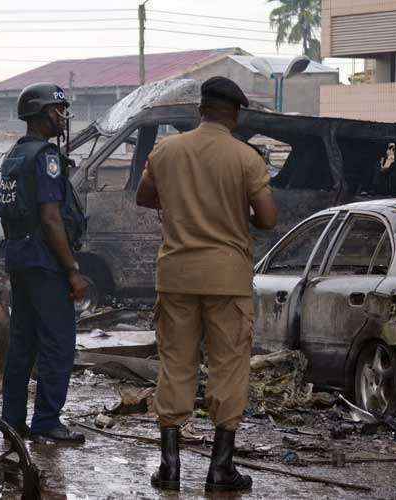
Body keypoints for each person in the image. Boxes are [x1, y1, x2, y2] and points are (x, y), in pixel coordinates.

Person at [136, 76, 278, 492]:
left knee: (175, 364)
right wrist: (237, 214)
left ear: (201, 109)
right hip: (227, 278)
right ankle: (220, 469)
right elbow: (268, 219)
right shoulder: (246, 157)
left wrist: (180, 204)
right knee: (228, 368)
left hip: (176, 275)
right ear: (234, 114)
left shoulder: (166, 150)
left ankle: (170, 467)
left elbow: (144, 196)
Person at [0, 82, 89, 444]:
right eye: (57, 110)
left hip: (20, 259)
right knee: (58, 343)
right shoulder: (46, 157)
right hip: (45, 262)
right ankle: (47, 421)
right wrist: (72, 270)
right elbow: (51, 218)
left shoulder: (15, 155)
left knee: (23, 342)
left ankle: (12, 420)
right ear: (40, 114)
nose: (62, 117)